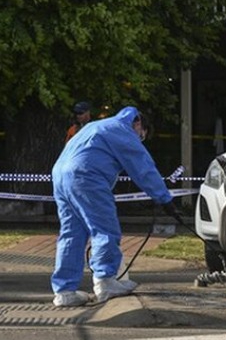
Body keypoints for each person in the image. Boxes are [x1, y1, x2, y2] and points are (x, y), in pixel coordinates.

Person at [51, 106, 176, 307]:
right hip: (87, 177)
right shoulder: (122, 130)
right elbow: (143, 168)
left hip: (60, 176)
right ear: (138, 124)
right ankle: (105, 281)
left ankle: (65, 291)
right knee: (104, 229)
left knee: (71, 233)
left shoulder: (97, 126)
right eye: (141, 137)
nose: (139, 141)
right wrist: (164, 198)